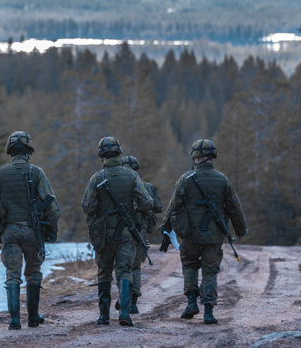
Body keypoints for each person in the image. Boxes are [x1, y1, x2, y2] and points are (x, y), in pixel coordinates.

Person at [159, 139, 247, 325]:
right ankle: (208, 312)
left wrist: (165, 228)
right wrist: (240, 231)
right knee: (209, 272)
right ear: (212, 156)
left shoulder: (185, 179)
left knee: (190, 265)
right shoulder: (222, 180)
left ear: (195, 157)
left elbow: (173, 206)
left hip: (189, 235)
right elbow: (234, 208)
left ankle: (191, 302)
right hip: (214, 237)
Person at [0, 131, 61, 330]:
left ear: (10, 150)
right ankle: (33, 317)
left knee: (12, 275)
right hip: (33, 232)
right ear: (29, 150)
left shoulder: (0, 174)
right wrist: (51, 230)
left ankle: (14, 320)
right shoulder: (37, 173)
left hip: (9, 232)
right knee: (33, 274)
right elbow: (52, 207)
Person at [81, 137, 152, 327]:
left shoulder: (96, 178)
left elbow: (88, 207)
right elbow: (146, 203)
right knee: (124, 271)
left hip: (104, 234)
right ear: (119, 154)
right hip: (127, 233)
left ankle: (104, 316)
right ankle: (125, 314)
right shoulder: (132, 176)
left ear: (101, 156)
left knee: (104, 271)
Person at [114, 155, 162, 314]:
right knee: (134, 266)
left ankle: (123, 297)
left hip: (119, 230)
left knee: (121, 265)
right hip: (139, 231)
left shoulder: (115, 184)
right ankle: (133, 303)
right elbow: (157, 207)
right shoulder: (146, 187)